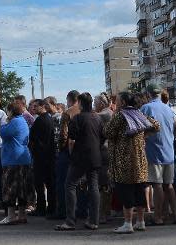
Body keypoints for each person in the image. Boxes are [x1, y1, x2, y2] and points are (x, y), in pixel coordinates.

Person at [105, 91, 160, 234]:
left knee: (126, 192)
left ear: (122, 103)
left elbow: (108, 132)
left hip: (124, 161)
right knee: (139, 192)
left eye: (116, 101)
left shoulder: (120, 115)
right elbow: (156, 125)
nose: (115, 104)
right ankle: (140, 222)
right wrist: (143, 134)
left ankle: (128, 223)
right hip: (140, 160)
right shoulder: (139, 114)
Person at [55, 92, 104, 231]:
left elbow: (71, 141)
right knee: (94, 186)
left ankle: (70, 221)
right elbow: (103, 137)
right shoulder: (97, 118)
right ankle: (94, 221)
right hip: (95, 157)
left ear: (81, 103)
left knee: (70, 185)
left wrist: (71, 155)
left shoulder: (77, 118)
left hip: (80, 157)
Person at [140, 84, 176, 226]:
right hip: (168, 151)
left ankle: (157, 217)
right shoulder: (167, 108)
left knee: (157, 185)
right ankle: (175, 215)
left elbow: (138, 128)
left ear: (148, 94)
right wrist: (171, 137)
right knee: (169, 185)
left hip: (154, 151)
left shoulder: (146, 108)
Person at [0, 102, 34, 225]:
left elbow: (3, 133)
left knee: (10, 189)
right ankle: (22, 215)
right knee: (22, 189)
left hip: (13, 159)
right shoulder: (23, 120)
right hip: (24, 158)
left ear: (11, 111)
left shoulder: (14, 122)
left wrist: (4, 122)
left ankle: (11, 216)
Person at [54, 90, 81, 219]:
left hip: (68, 151)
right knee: (81, 183)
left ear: (70, 99)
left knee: (63, 183)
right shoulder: (85, 111)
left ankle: (63, 211)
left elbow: (63, 134)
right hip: (83, 151)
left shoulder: (67, 113)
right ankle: (81, 210)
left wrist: (60, 148)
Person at [29, 99, 56, 218]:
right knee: (50, 184)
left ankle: (41, 208)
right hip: (49, 156)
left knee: (39, 184)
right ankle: (51, 208)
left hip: (40, 157)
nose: (33, 108)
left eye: (36, 106)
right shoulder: (49, 118)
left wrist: (33, 149)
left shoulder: (40, 120)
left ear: (42, 106)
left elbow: (33, 139)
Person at [94, 93, 113, 224]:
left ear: (101, 103)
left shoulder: (103, 114)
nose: (94, 105)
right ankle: (106, 212)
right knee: (106, 184)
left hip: (103, 151)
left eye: (95, 102)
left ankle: (102, 214)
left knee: (102, 184)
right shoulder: (110, 112)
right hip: (108, 150)